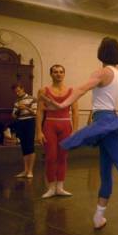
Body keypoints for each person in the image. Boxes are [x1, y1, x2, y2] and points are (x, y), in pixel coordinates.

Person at [42, 37, 118, 231]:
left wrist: (62, 104)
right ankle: (98, 216)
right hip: (108, 121)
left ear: (101, 53)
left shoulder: (103, 72)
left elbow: (81, 88)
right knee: (105, 171)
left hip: (104, 122)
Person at [36, 64, 79, 198]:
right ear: (51, 74)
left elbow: (75, 112)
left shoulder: (72, 91)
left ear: (64, 74)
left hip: (65, 125)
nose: (58, 74)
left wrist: (75, 131)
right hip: (50, 125)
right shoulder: (43, 91)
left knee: (63, 157)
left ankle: (60, 187)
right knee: (50, 157)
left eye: (61, 72)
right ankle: (51, 187)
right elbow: (39, 112)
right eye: (55, 72)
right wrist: (39, 131)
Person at [11, 83, 37, 179]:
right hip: (20, 122)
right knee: (24, 146)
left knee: (30, 146)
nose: (17, 93)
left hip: (30, 122)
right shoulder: (16, 102)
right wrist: (18, 109)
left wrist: (26, 108)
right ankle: (25, 170)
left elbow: (36, 112)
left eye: (19, 90)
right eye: (15, 92)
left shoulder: (32, 98)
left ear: (23, 89)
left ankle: (30, 171)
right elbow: (13, 115)